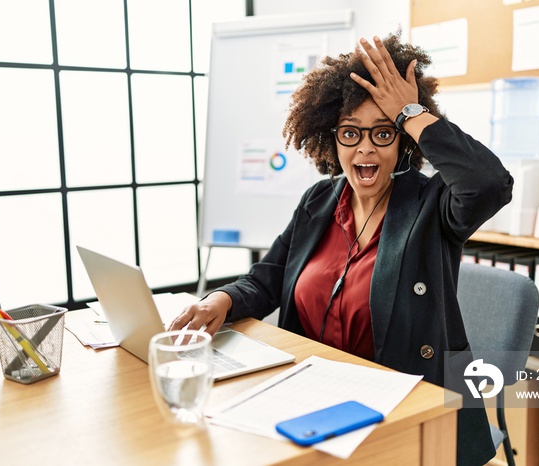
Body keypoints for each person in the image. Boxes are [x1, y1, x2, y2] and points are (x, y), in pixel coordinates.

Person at [171, 31, 513, 465]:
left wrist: (411, 112)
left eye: (383, 133)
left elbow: (490, 185)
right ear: (331, 139)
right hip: (309, 399)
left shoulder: (433, 206)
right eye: (350, 133)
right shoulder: (319, 199)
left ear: (404, 139)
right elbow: (270, 277)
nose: (365, 147)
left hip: (399, 410)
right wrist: (221, 299)